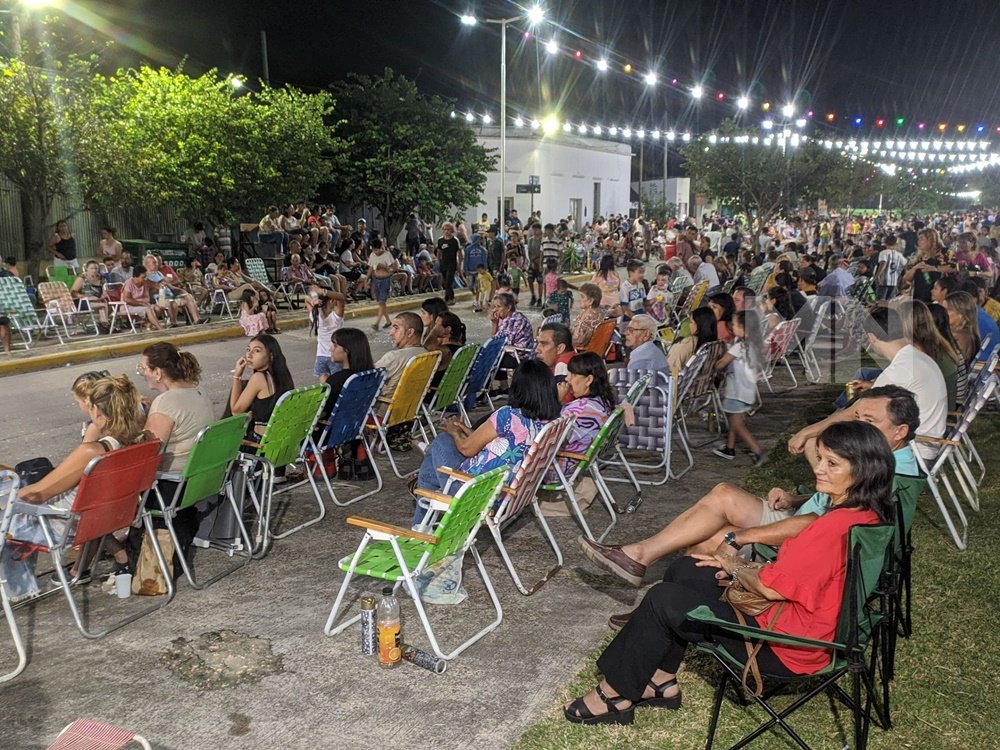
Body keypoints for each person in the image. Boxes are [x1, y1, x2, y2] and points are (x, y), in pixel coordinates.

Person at [563, 420, 895, 726]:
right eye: (820, 457)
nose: (818, 468)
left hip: (786, 645)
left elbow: (771, 589)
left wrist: (735, 566)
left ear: (863, 470)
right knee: (687, 568)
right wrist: (745, 569)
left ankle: (613, 696)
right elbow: (805, 578)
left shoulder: (833, 527)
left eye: (832, 463)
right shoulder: (863, 515)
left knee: (662, 599)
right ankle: (661, 681)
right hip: (806, 628)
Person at [581, 385, 920, 598]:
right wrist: (795, 497)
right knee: (723, 495)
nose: (857, 426)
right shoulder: (882, 459)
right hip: (802, 516)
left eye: (869, 421)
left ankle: (662, 602)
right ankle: (647, 572)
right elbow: (838, 503)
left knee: (712, 538)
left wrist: (741, 536)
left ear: (900, 431)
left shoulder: (889, 472)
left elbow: (825, 527)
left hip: (806, 539)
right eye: (857, 417)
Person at [0, 376, 147, 601]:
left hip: (63, 524)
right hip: (105, 517)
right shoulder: (139, 443)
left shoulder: (92, 452)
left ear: (96, 411)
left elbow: (38, 494)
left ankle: (18, 589)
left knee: (10, 504)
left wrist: (8, 499)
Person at [413, 359, 561, 525]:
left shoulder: (508, 415)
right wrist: (463, 429)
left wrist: (454, 431)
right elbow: (498, 443)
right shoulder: (549, 422)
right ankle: (421, 510)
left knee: (442, 441)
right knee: (429, 472)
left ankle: (419, 523)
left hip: (476, 493)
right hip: (507, 496)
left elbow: (466, 449)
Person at [789, 306, 946, 462]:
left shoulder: (901, 368)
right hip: (922, 441)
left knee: (813, 441)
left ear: (871, 337)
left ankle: (834, 480)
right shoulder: (916, 357)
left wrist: (805, 432)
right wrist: (873, 386)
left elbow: (854, 412)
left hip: (913, 451)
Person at [135, 343, 217, 563]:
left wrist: (137, 421)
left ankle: (119, 551)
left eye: (144, 368)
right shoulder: (197, 391)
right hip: (202, 480)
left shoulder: (166, 402)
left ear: (158, 372)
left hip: (173, 486)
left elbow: (148, 453)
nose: (142, 373)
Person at [713, 310, 768, 465]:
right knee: (735, 420)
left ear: (745, 328)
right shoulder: (754, 345)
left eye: (735, 325)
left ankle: (758, 451)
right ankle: (730, 448)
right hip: (747, 390)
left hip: (735, 391)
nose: (732, 327)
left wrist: (715, 365)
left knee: (737, 424)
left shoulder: (739, 347)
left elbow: (721, 363)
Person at [229, 334, 295, 437]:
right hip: (281, 440)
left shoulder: (259, 378)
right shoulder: (282, 376)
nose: (249, 355)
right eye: (248, 349)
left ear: (271, 355)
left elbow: (236, 412)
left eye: (257, 351)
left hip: (260, 443)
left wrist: (237, 376)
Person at [374, 312, 426, 397]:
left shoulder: (394, 357)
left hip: (385, 404)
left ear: (410, 332)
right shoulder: (426, 354)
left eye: (396, 328)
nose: (391, 333)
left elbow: (365, 380)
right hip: (412, 403)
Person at [667, 306, 718, 373]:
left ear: (699, 325)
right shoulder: (714, 344)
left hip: (673, 376)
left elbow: (671, 366)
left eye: (691, 322)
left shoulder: (689, 343)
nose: (689, 325)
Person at [940, 291, 981, 366]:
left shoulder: (958, 337)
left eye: (946, 310)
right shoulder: (970, 334)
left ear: (961, 313)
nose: (942, 313)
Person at [367, 238, 399, 331]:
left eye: (377, 250)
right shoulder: (372, 255)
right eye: (374, 250)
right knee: (381, 303)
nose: (375, 252)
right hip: (376, 279)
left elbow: (395, 268)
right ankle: (388, 321)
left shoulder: (387, 255)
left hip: (385, 280)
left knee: (382, 302)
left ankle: (377, 323)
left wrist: (385, 267)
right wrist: (366, 279)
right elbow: (370, 267)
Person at [70, 260, 110, 332]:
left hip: (96, 299)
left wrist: (103, 296)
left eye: (96, 268)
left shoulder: (101, 278)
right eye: (92, 268)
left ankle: (104, 323)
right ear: (87, 269)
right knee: (102, 305)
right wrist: (87, 297)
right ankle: (105, 323)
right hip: (81, 301)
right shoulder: (82, 278)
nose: (94, 270)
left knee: (103, 301)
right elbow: (73, 293)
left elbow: (104, 291)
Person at [122, 266, 165, 331]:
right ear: (135, 277)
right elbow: (127, 299)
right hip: (130, 306)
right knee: (148, 309)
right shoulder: (129, 284)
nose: (145, 279)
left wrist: (161, 301)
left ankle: (149, 326)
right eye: (143, 277)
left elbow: (161, 287)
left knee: (159, 307)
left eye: (145, 276)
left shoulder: (146, 281)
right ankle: (160, 328)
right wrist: (142, 303)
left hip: (145, 305)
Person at [571, 283, 604, 348]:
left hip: (580, 348)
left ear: (591, 301)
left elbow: (579, 339)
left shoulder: (589, 315)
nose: (579, 300)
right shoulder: (597, 312)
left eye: (582, 297)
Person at [436, 222, 462, 304]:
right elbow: (439, 252)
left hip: (452, 263)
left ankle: (449, 297)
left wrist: (459, 264)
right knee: (445, 281)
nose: (446, 231)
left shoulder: (455, 240)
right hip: (443, 263)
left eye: (448, 229)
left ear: (452, 230)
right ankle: (449, 297)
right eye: (445, 229)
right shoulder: (440, 240)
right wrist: (438, 261)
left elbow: (459, 253)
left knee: (449, 281)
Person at [619, 259, 646, 325]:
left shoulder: (641, 284)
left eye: (643, 272)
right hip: (629, 322)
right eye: (640, 272)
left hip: (640, 320)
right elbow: (624, 309)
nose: (642, 275)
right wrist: (636, 319)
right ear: (631, 272)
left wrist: (655, 299)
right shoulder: (625, 287)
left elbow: (644, 302)